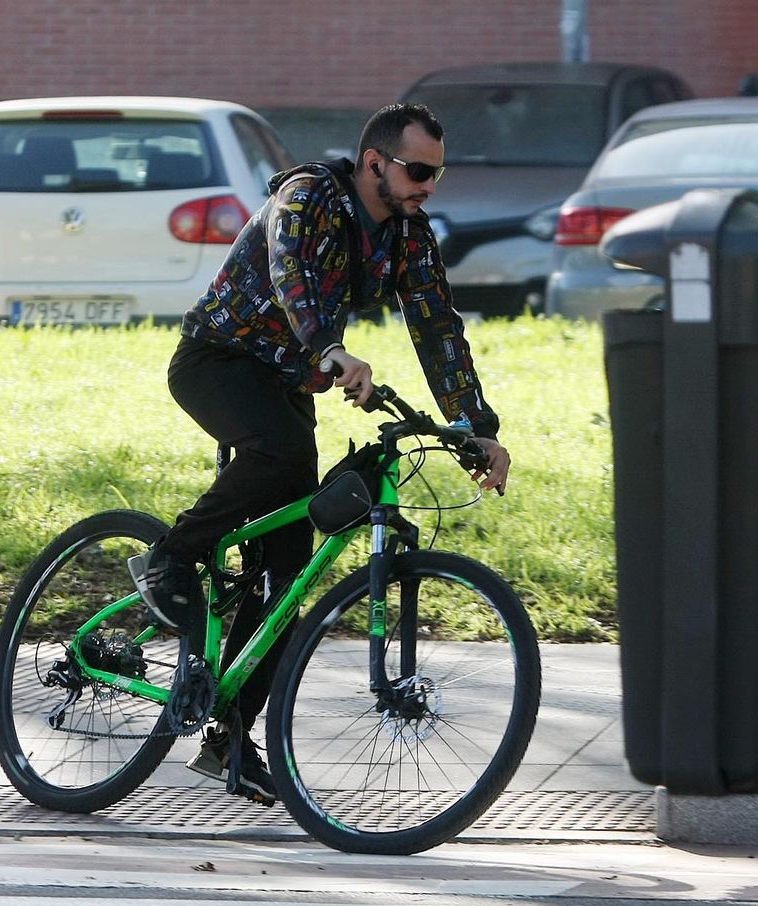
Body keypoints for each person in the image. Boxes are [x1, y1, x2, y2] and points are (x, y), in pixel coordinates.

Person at [129, 102, 511, 806]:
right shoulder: (307, 196)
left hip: (287, 382)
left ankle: (228, 739)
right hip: (219, 358)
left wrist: (475, 427)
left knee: (286, 575)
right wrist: (329, 350)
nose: (429, 186)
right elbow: (288, 273)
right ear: (375, 163)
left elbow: (437, 328)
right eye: (419, 171)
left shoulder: (407, 236)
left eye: (438, 174)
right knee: (279, 459)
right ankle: (170, 558)